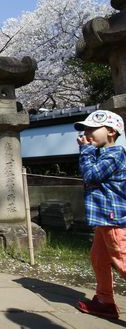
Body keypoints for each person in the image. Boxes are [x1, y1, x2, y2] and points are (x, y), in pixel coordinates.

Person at [74, 110, 126, 320]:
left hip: (114, 219)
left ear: (111, 131)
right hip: (104, 219)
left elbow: (91, 174)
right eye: (85, 129)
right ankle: (105, 301)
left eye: (92, 128)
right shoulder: (99, 154)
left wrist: (85, 150)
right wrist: (88, 151)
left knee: (122, 260)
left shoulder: (116, 154)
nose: (87, 133)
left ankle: (105, 300)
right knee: (98, 259)